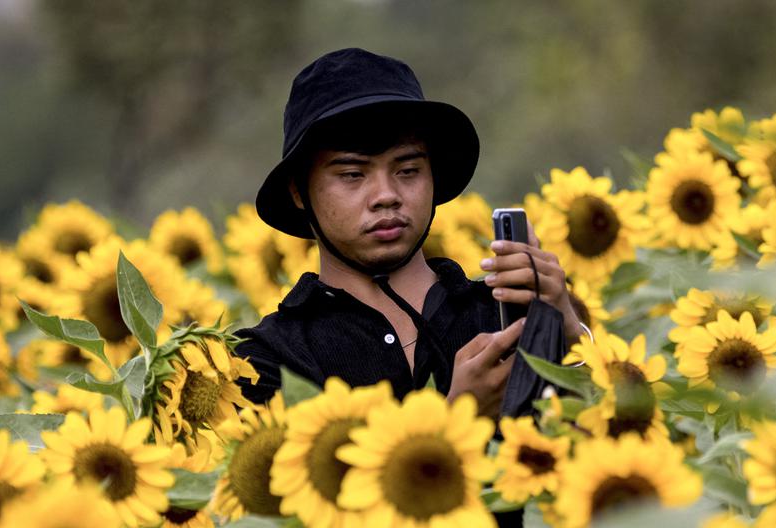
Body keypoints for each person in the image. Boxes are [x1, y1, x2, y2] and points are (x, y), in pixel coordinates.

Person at [235, 48, 585, 417]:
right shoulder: (265, 359)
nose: (386, 196)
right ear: (297, 191)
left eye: (408, 170)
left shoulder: (500, 314)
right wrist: (461, 416)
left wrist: (569, 331)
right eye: (353, 174)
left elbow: (595, 449)